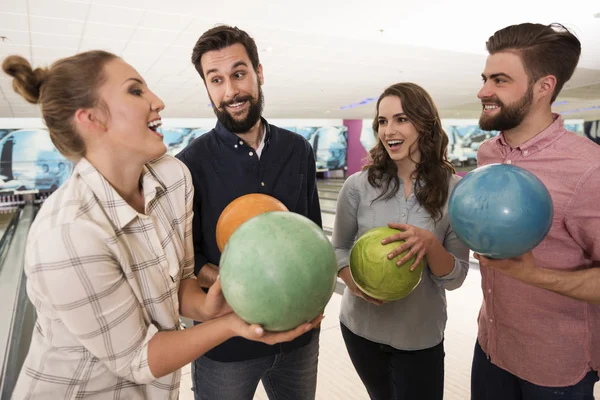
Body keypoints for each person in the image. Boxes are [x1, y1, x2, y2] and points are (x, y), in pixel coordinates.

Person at [2, 50, 322, 400]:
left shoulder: (172, 178)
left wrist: (207, 306)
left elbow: (180, 282)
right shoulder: (66, 235)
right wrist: (230, 324)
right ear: (91, 119)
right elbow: (138, 358)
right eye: (136, 91)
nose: (158, 101)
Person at [175, 25, 323, 400]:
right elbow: (187, 262)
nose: (231, 91)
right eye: (216, 80)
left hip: (298, 342)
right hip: (226, 347)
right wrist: (243, 284)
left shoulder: (298, 149)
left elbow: (313, 235)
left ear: (258, 73)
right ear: (207, 88)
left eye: (239, 74)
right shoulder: (189, 165)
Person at [471, 22, 600, 399]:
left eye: (499, 80)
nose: (483, 91)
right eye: (484, 78)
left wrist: (534, 274)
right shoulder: (488, 154)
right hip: (491, 345)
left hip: (555, 368)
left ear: (544, 87)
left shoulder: (588, 169)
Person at [332, 82, 470, 400]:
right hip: (360, 329)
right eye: (382, 121)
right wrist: (356, 285)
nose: (388, 129)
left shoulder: (456, 191)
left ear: (425, 123)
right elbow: (339, 249)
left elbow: (457, 276)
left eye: (401, 119)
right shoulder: (357, 186)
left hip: (419, 335)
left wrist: (431, 246)